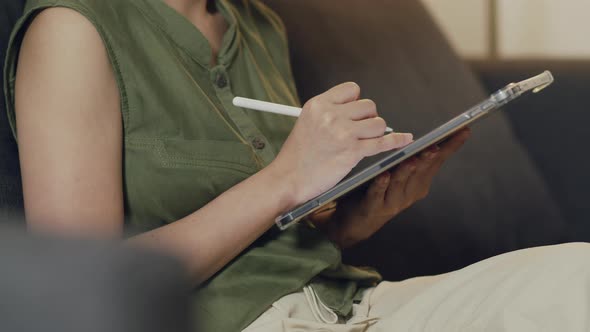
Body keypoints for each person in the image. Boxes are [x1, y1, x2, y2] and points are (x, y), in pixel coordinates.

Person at [4, 0, 590, 331]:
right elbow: (75, 293)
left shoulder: (258, 25)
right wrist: (285, 179)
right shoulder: (73, 31)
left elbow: (274, 240)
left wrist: (349, 223)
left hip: (350, 307)